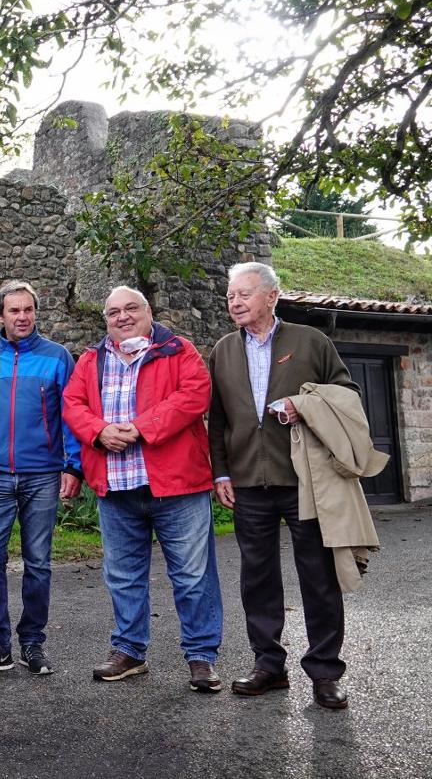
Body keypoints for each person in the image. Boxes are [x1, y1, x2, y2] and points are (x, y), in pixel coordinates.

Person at [208, 262, 358, 710]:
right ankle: (269, 666)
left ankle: (325, 673)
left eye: (244, 294)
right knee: (257, 578)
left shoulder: (312, 342)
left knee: (318, 575)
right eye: (231, 295)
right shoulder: (222, 350)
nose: (235, 302)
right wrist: (220, 472)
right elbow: (216, 420)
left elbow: (346, 393)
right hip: (248, 482)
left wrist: (303, 405)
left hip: (305, 481)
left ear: (272, 296)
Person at [63, 286, 224, 691]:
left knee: (192, 575)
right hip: (116, 487)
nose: (122, 317)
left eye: (131, 308)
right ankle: (130, 651)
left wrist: (141, 428)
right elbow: (72, 404)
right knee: (123, 575)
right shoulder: (90, 359)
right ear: (106, 320)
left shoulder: (178, 350)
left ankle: (201, 657)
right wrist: (99, 432)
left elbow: (195, 395)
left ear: (148, 311)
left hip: (176, 485)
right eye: (113, 312)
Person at [0, 281, 83, 677]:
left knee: (38, 563)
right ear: (1, 314)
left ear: (36, 311)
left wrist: (73, 465)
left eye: (28, 309)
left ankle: (32, 642)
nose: (22, 317)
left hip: (43, 475)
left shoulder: (57, 357)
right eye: (14, 311)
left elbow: (72, 414)